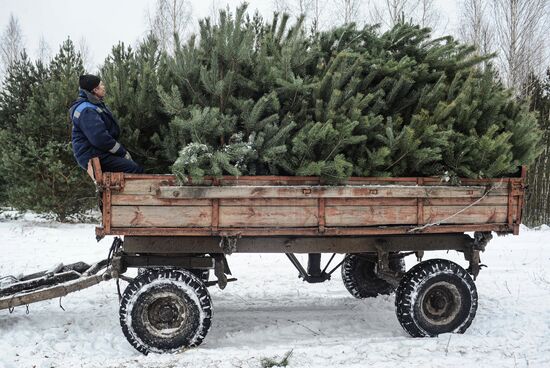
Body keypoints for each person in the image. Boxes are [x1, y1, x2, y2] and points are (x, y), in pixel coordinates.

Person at [69, 74, 143, 173]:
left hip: (98, 152)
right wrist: (122, 152)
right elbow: (100, 139)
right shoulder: (87, 110)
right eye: (102, 85)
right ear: (95, 90)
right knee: (133, 169)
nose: (104, 87)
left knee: (131, 165)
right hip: (91, 155)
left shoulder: (93, 104)